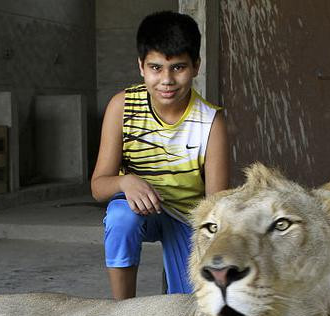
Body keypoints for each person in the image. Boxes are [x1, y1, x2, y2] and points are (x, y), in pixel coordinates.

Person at [91, 11, 229, 300]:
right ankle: (122, 311)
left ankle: (181, 288)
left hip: (187, 219)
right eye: (156, 67)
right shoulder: (122, 107)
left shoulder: (211, 122)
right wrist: (125, 182)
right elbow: (98, 187)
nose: (166, 80)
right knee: (120, 217)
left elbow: (215, 206)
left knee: (187, 310)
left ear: (196, 67)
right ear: (141, 67)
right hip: (141, 210)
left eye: (178, 68)